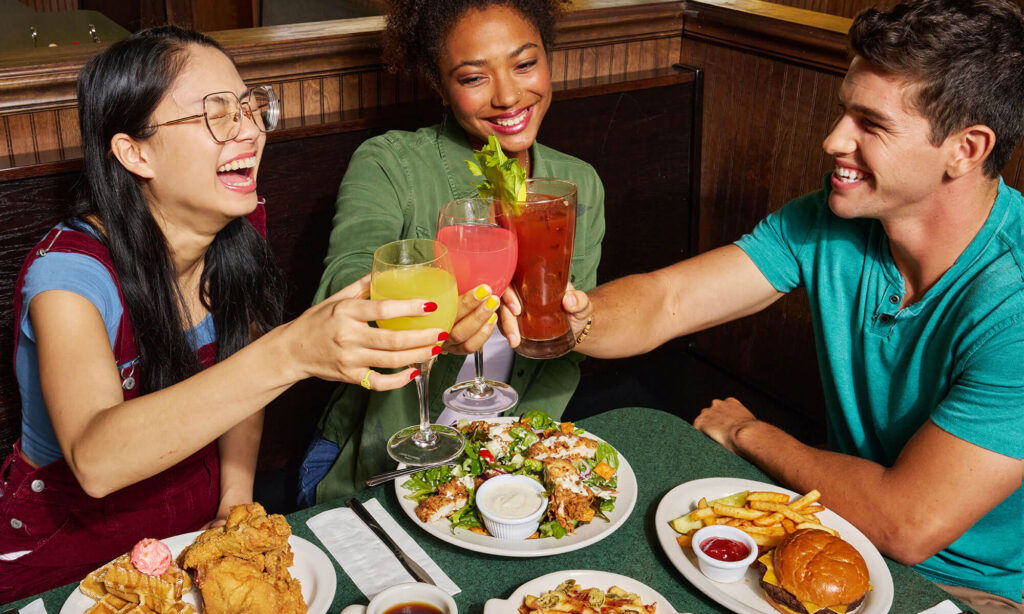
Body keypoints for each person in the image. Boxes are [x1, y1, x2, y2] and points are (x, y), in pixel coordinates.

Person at [502, 0, 1024, 610]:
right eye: (841, 112)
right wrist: (569, 318)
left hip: (964, 589)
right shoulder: (829, 220)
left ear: (967, 148)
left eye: (870, 124)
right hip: (826, 530)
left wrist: (750, 434)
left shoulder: (1013, 303)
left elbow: (906, 526)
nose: (833, 140)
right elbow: (668, 302)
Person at [0, 26, 445, 602]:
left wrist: (235, 500)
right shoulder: (67, 275)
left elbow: (241, 387)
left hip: (193, 526)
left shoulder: (236, 228)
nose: (249, 131)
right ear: (135, 151)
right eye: (214, 114)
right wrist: (290, 351)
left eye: (248, 107)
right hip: (67, 559)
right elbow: (96, 458)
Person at [299, 0, 606, 504]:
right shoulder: (390, 163)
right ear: (441, 85)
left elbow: (565, 337)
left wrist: (521, 456)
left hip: (512, 465)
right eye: (473, 78)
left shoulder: (579, 186)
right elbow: (341, 289)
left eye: (525, 64)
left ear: (549, 61)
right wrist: (438, 326)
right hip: (375, 463)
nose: (508, 95)